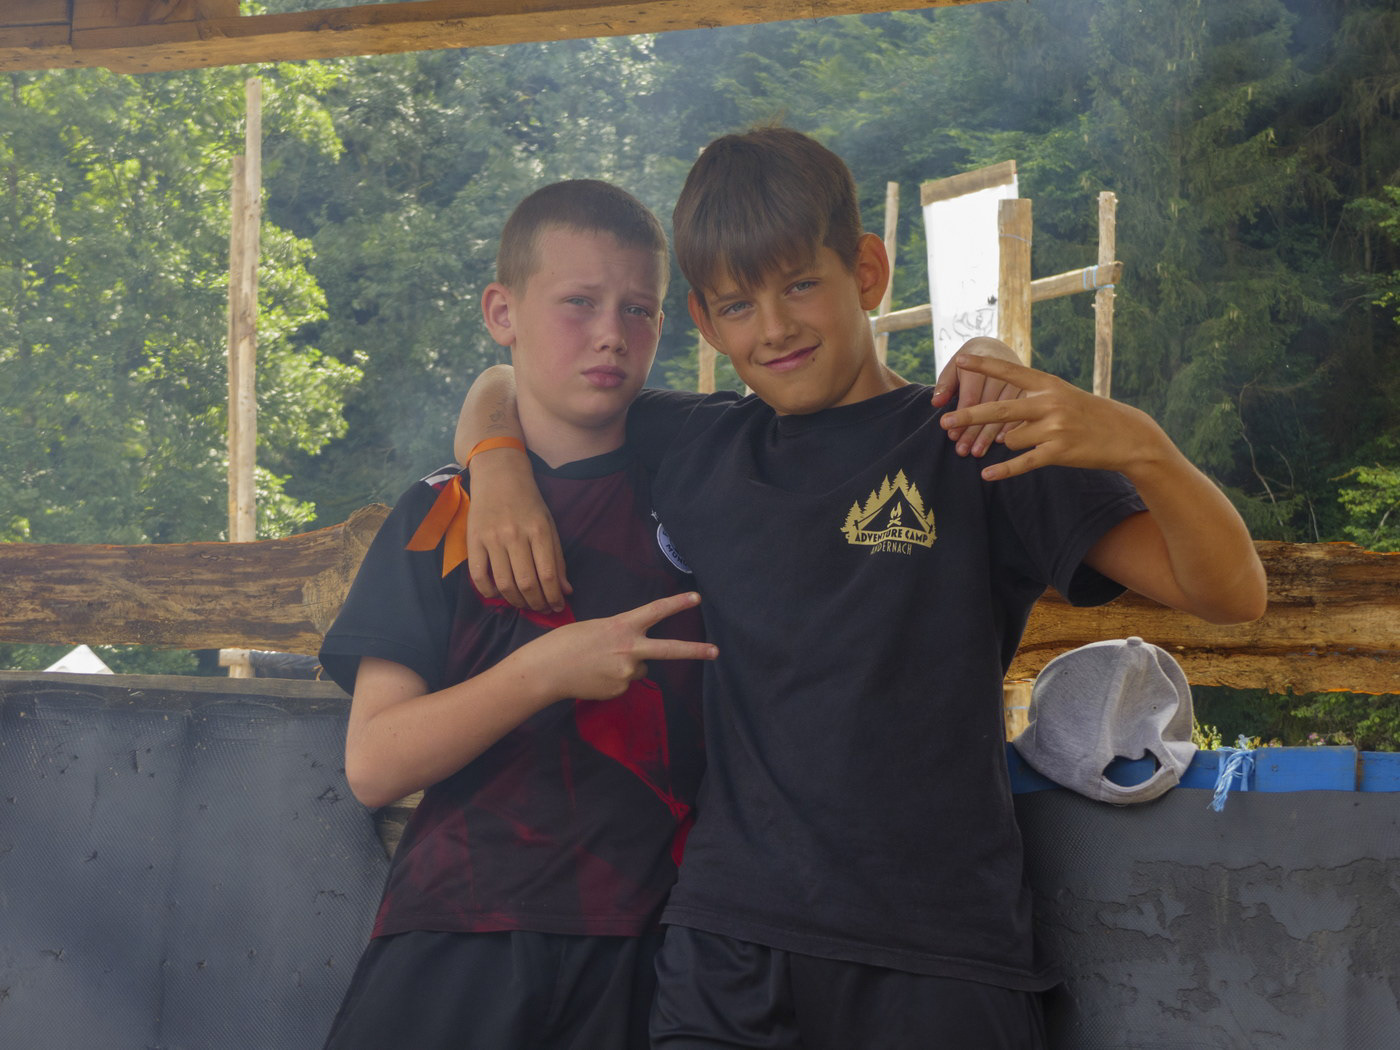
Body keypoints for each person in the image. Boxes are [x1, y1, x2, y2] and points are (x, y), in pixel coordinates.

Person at [457, 127, 1267, 1049]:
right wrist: (497, 463)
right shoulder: (696, 445)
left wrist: (1146, 449)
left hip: (941, 948)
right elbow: (508, 379)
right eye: (739, 304)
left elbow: (1230, 592)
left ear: (868, 271)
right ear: (705, 322)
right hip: (727, 947)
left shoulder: (973, 437)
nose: (774, 327)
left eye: (801, 285)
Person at [316, 179, 721, 1050]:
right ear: (502, 311)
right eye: (579, 303)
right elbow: (374, 764)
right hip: (457, 931)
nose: (611, 334)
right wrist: (542, 672)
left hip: (651, 945)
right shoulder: (439, 514)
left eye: (639, 310)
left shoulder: (703, 486)